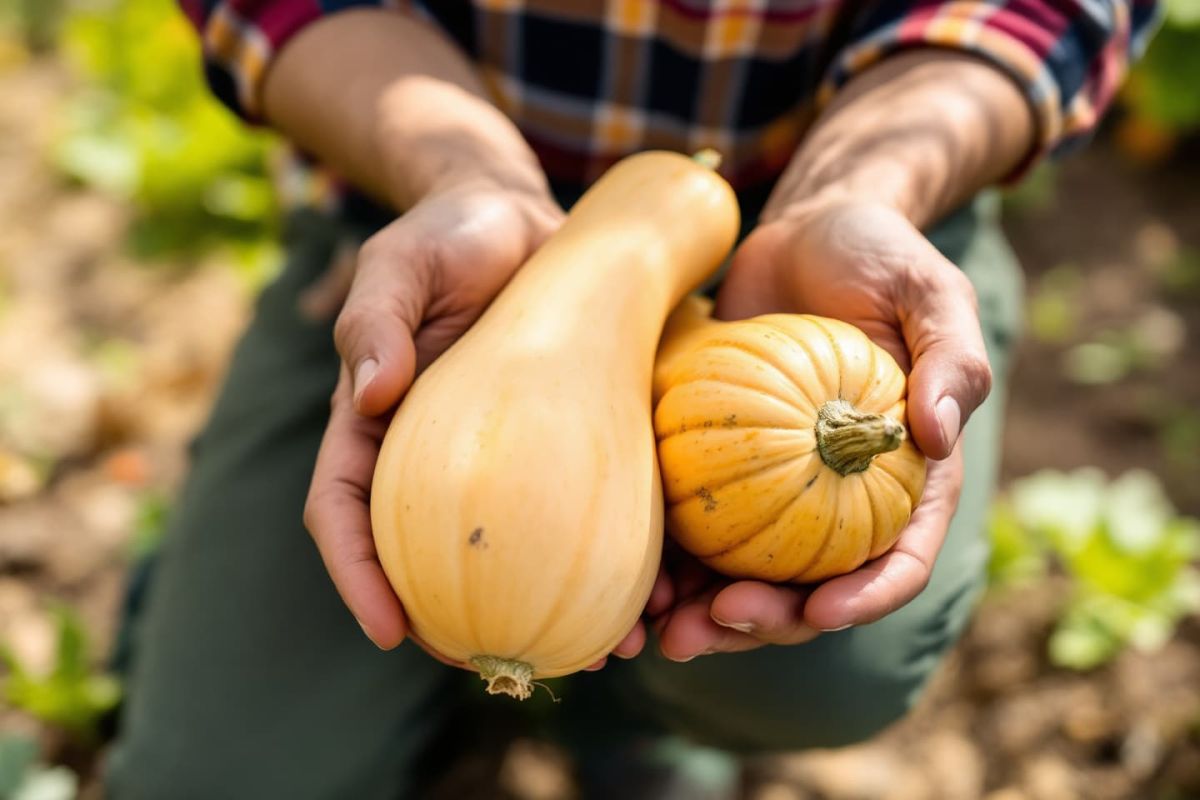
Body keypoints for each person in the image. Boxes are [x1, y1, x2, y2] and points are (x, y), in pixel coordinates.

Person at [106, 2, 1159, 797]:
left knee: (824, 668)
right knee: (212, 775)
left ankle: (622, 703)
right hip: (436, 229)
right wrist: (456, 173)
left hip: (831, 244)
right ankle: (262, 596)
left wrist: (863, 188)